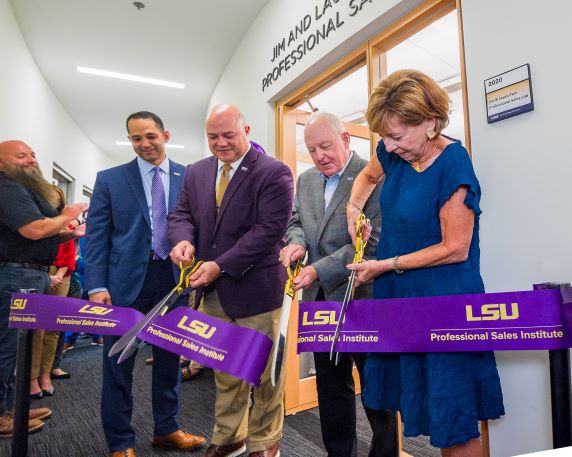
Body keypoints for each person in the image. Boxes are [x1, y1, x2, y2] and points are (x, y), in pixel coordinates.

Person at [345, 69, 505, 456]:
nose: (389, 145)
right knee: (425, 408)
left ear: (431, 123)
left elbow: (456, 248)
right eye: (384, 135)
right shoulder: (394, 154)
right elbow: (367, 176)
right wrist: (353, 208)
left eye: (397, 136)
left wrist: (385, 265)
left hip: (444, 302)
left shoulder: (454, 163)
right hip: (402, 297)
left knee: (454, 416)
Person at [169, 104, 294, 457]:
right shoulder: (196, 172)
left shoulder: (273, 172)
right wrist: (181, 239)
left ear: (247, 131)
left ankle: (266, 442)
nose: (221, 143)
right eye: (213, 137)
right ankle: (230, 437)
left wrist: (219, 265)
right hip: (214, 294)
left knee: (265, 373)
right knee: (227, 371)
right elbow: (181, 215)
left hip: (258, 290)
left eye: (229, 135)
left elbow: (268, 232)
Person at [85, 111, 206, 457]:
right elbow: (96, 238)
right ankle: (121, 442)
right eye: (136, 138)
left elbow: (199, 227)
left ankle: (167, 428)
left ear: (165, 135)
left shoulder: (189, 176)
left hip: (173, 281)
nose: (144, 144)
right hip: (123, 284)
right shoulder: (110, 179)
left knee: (169, 361)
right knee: (118, 363)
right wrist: (95, 285)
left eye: (150, 136)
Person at [279, 111, 398, 457]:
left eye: (326, 147)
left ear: (345, 140)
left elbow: (372, 240)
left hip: (362, 297)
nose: (319, 157)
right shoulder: (306, 180)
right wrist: (297, 241)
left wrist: (317, 269)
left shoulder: (373, 176)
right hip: (319, 303)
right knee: (331, 388)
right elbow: (295, 220)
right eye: (312, 150)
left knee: (376, 390)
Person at [0, 140, 86, 438]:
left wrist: (70, 234)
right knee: (8, 349)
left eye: (33, 154)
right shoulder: (6, 188)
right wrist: (68, 213)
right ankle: (1, 415)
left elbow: (39, 237)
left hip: (27, 276)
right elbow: (33, 230)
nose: (30, 160)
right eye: (21, 156)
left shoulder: (23, 189)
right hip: (14, 278)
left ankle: (12, 408)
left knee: (17, 349)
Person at [29, 185, 76, 399]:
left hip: (63, 275)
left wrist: (59, 275)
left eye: (57, 199)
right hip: (40, 271)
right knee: (35, 329)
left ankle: (46, 374)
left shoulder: (64, 223)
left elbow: (69, 252)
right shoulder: (36, 222)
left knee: (53, 327)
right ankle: (31, 378)